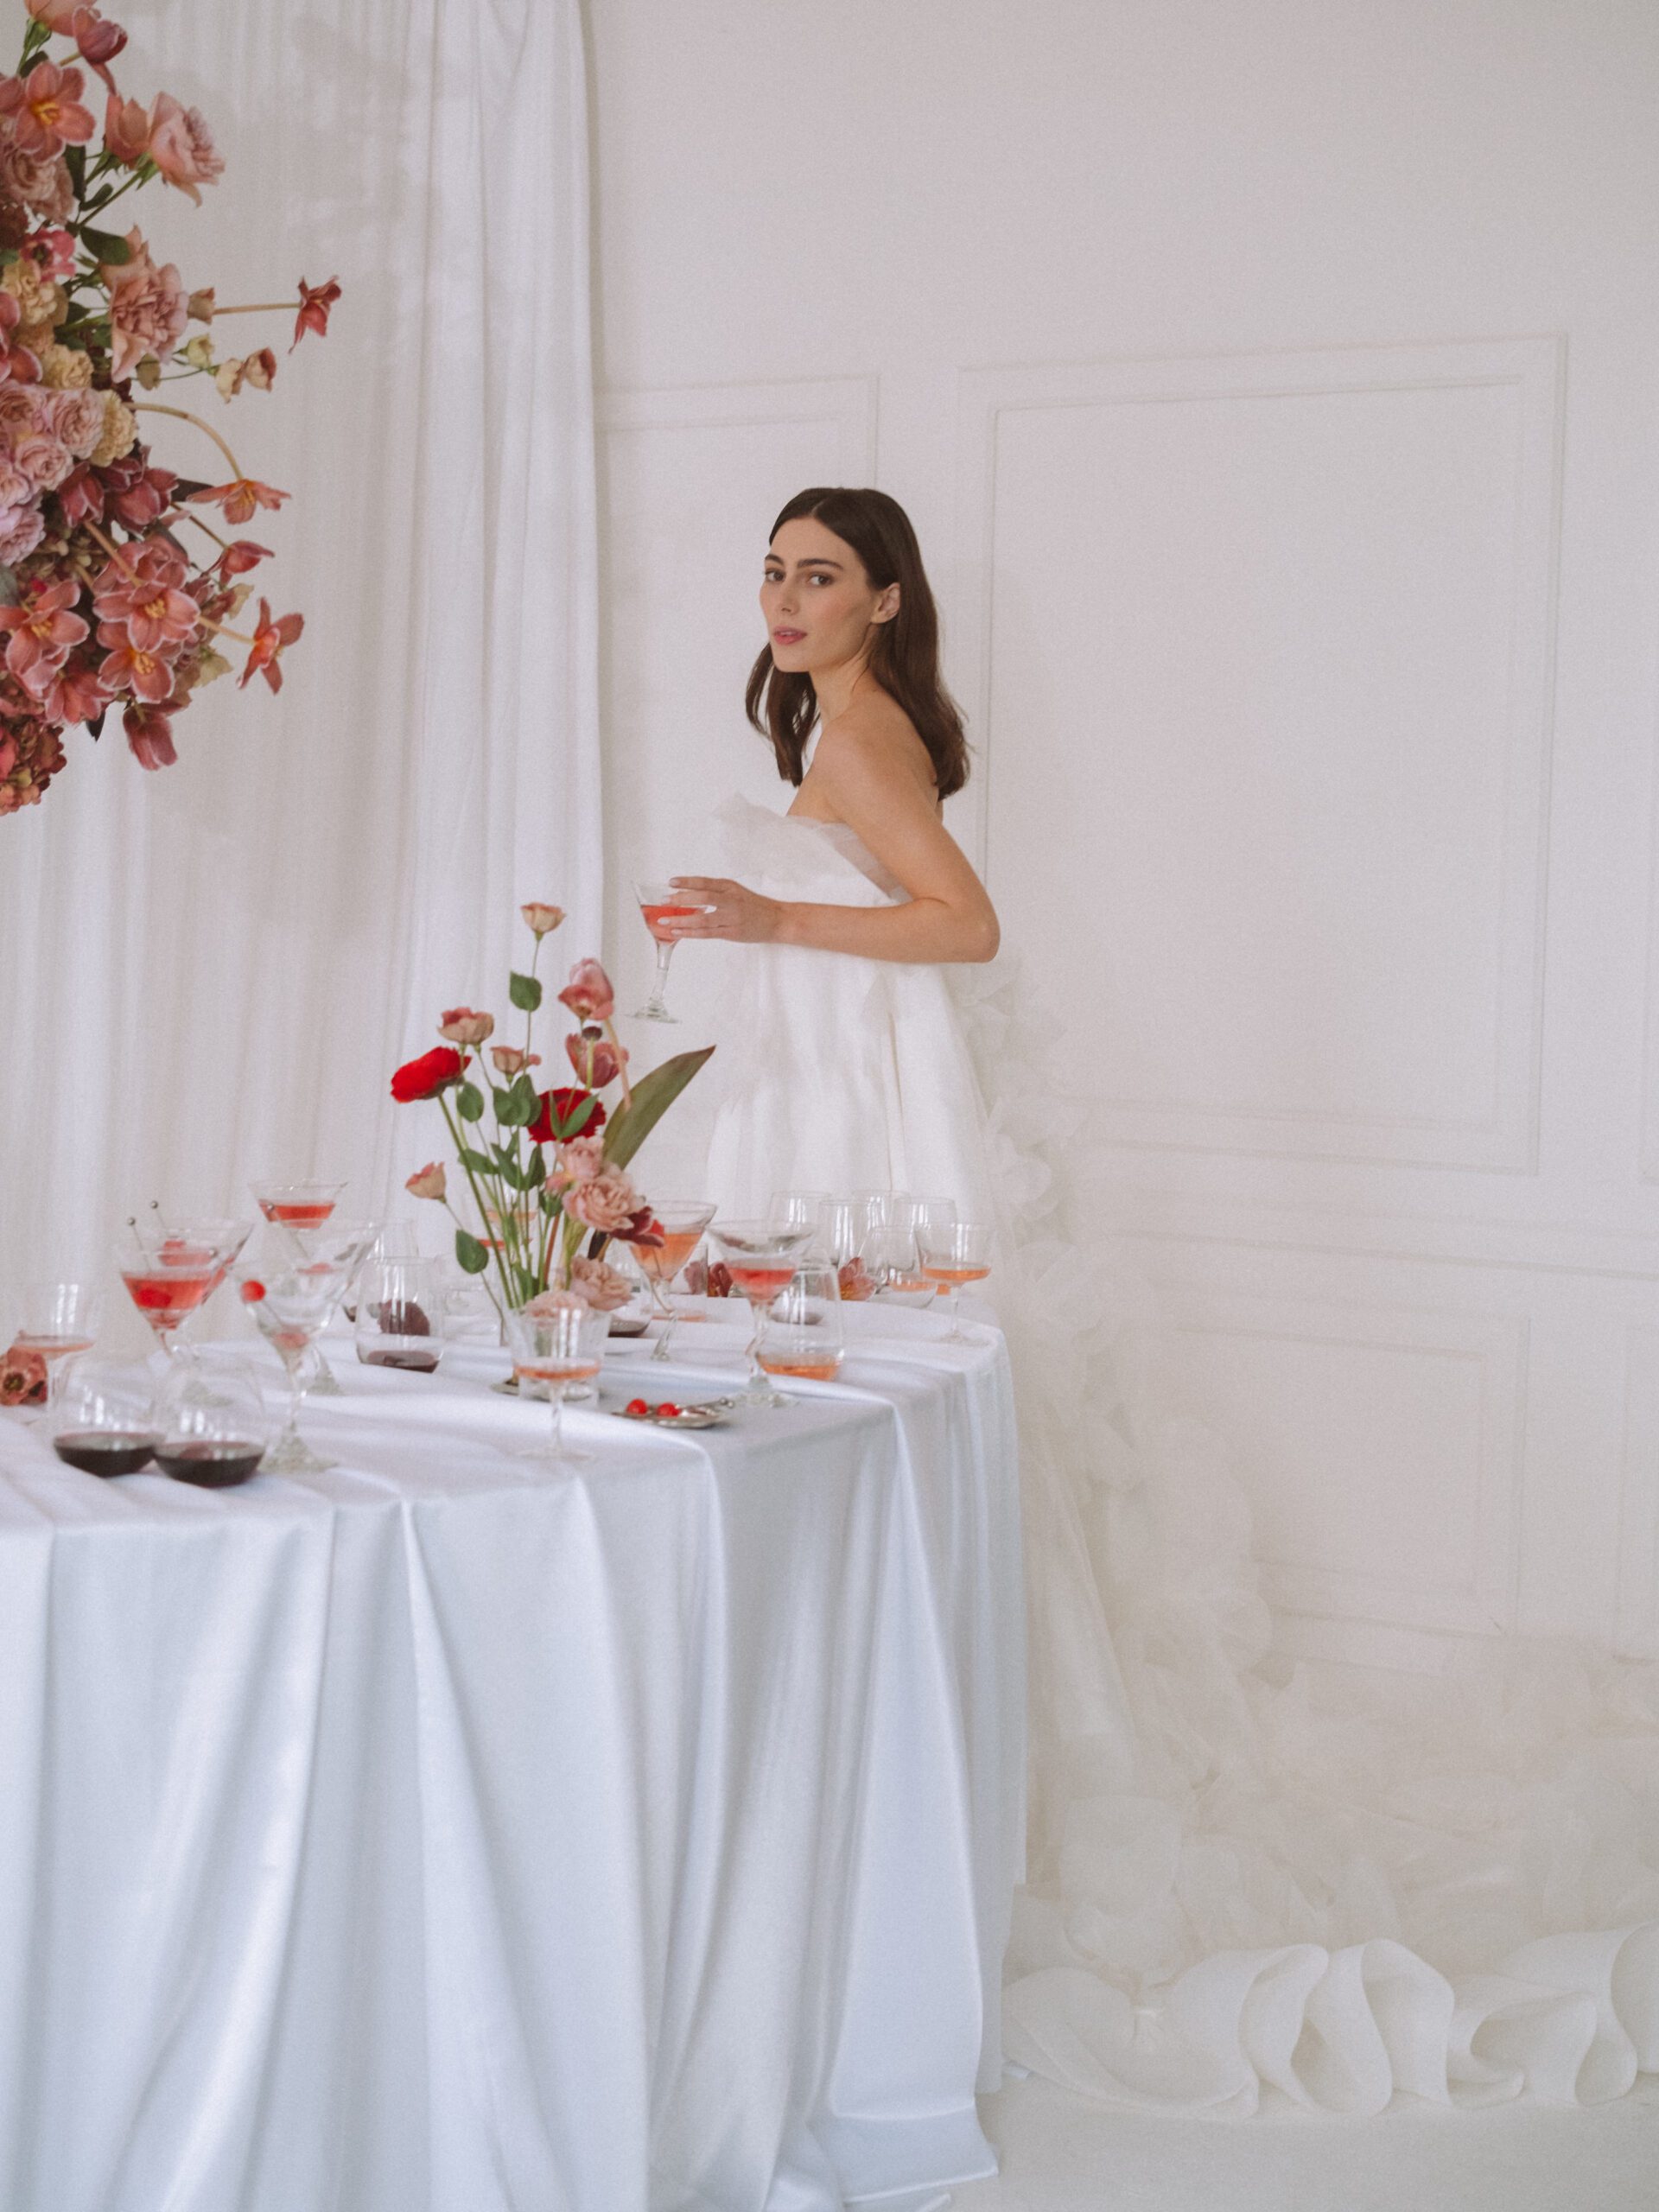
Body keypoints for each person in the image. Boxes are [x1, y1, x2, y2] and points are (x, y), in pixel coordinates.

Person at [658, 485, 1659, 2114]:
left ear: (886, 600)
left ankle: (926, 1781)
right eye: (773, 571)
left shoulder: (866, 737)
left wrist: (771, 916)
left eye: (820, 576)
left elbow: (966, 924)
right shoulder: (841, 723)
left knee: (879, 1403)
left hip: (869, 1109)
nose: (784, 598)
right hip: (844, 1083)